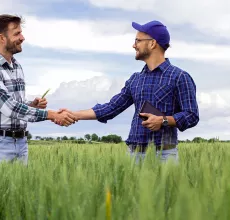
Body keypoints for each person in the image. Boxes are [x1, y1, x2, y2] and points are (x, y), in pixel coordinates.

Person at [55, 20, 199, 162]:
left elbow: (191, 115)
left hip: (164, 155)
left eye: (138, 40)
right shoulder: (135, 79)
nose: (134, 45)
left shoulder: (180, 77)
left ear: (152, 43)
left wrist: (163, 120)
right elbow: (110, 108)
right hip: (133, 155)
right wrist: (73, 114)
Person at [0, 14, 77, 166]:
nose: (22, 38)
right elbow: (8, 107)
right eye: (17, 34)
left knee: (21, 190)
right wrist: (51, 115)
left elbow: (12, 105)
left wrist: (31, 105)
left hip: (21, 142)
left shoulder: (17, 67)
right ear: (2, 38)